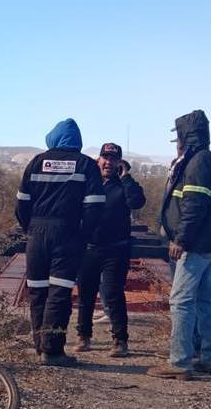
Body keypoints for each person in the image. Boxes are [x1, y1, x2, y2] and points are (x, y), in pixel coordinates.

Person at [16, 118, 105, 366]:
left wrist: (30, 229)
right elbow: (95, 206)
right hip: (67, 235)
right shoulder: (87, 165)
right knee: (58, 293)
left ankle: (40, 347)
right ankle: (52, 351)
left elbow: (22, 203)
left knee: (37, 291)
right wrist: (81, 235)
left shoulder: (36, 162)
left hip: (36, 233)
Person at [148, 110, 211, 380]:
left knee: (182, 301)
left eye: (179, 137)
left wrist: (180, 239)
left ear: (187, 136)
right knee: (203, 302)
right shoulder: (199, 160)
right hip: (204, 244)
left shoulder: (197, 162)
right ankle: (206, 357)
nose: (177, 143)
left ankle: (180, 362)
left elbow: (195, 205)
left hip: (193, 245)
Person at [75, 143, 145, 357]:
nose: (108, 162)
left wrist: (126, 177)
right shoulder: (88, 182)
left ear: (119, 163)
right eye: (105, 158)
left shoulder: (124, 184)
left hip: (116, 249)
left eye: (113, 159)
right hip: (89, 247)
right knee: (86, 294)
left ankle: (120, 340)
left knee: (113, 294)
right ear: (98, 160)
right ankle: (83, 336)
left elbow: (137, 202)